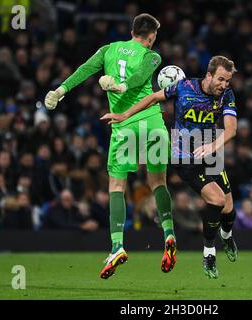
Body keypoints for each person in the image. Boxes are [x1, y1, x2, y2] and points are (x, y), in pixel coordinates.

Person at [44, 13, 177, 279]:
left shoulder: (108, 49)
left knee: (117, 186)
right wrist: (123, 85)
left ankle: (117, 246)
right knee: (158, 183)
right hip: (152, 123)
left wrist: (60, 90)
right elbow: (140, 77)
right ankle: (169, 234)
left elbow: (84, 69)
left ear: (132, 31)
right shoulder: (153, 56)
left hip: (124, 126)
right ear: (151, 36)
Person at [102, 56, 239, 279]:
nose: (224, 85)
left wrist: (212, 146)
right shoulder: (184, 87)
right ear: (209, 75)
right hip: (184, 157)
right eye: (221, 79)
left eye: (228, 81)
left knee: (229, 210)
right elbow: (153, 97)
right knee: (217, 200)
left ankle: (227, 235)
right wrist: (124, 115)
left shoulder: (227, 95)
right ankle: (209, 253)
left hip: (210, 152)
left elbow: (231, 130)